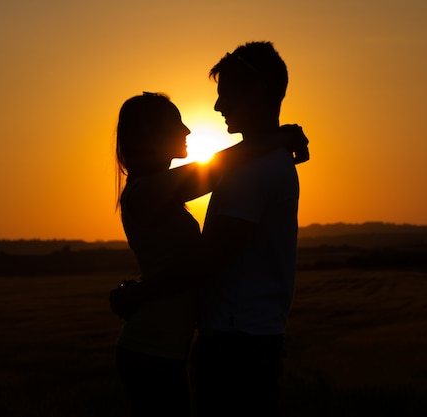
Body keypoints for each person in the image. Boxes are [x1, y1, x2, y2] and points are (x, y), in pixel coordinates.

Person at [112, 41, 303, 417]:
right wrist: (278, 138)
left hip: (213, 345)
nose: (213, 110)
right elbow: (214, 170)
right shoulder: (147, 192)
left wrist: (140, 292)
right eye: (174, 122)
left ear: (257, 91)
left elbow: (205, 258)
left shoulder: (255, 168)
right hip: (158, 348)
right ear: (150, 136)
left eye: (225, 94)